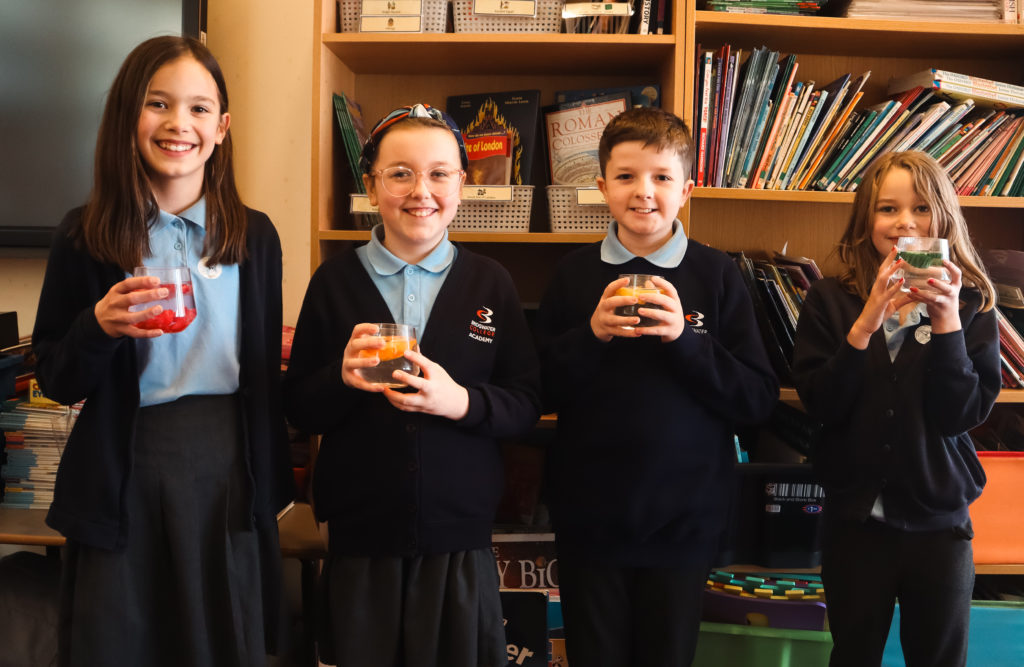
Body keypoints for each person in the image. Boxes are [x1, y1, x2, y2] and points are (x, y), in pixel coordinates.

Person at [31, 36, 293, 666]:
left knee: (222, 640)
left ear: (222, 127)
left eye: (200, 109)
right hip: (126, 464)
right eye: (158, 104)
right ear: (128, 117)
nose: (180, 124)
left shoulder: (255, 235)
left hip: (230, 468)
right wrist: (98, 326)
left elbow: (267, 378)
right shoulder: (84, 233)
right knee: (122, 642)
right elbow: (55, 379)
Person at [283, 103, 541, 667]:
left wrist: (461, 402)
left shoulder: (490, 282)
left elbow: (525, 404)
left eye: (439, 173)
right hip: (360, 531)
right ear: (372, 186)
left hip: (460, 532)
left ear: (463, 185)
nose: (420, 190)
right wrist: (341, 379)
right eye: (400, 173)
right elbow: (300, 406)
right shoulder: (334, 282)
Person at [535, 106, 779, 666]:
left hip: (684, 520)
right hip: (589, 517)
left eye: (662, 177)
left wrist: (686, 340)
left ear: (687, 189)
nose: (643, 192)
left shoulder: (716, 274)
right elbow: (537, 392)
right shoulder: (573, 274)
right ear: (601, 187)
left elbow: (757, 399)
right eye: (625, 177)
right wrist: (592, 334)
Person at [791, 150, 1000, 666]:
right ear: (866, 219)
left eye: (922, 208)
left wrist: (947, 320)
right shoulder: (828, 300)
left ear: (944, 218)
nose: (905, 222)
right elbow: (822, 403)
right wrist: (865, 323)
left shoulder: (971, 304)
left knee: (938, 656)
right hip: (855, 523)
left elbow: (961, 415)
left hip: (940, 525)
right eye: (888, 209)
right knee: (853, 651)